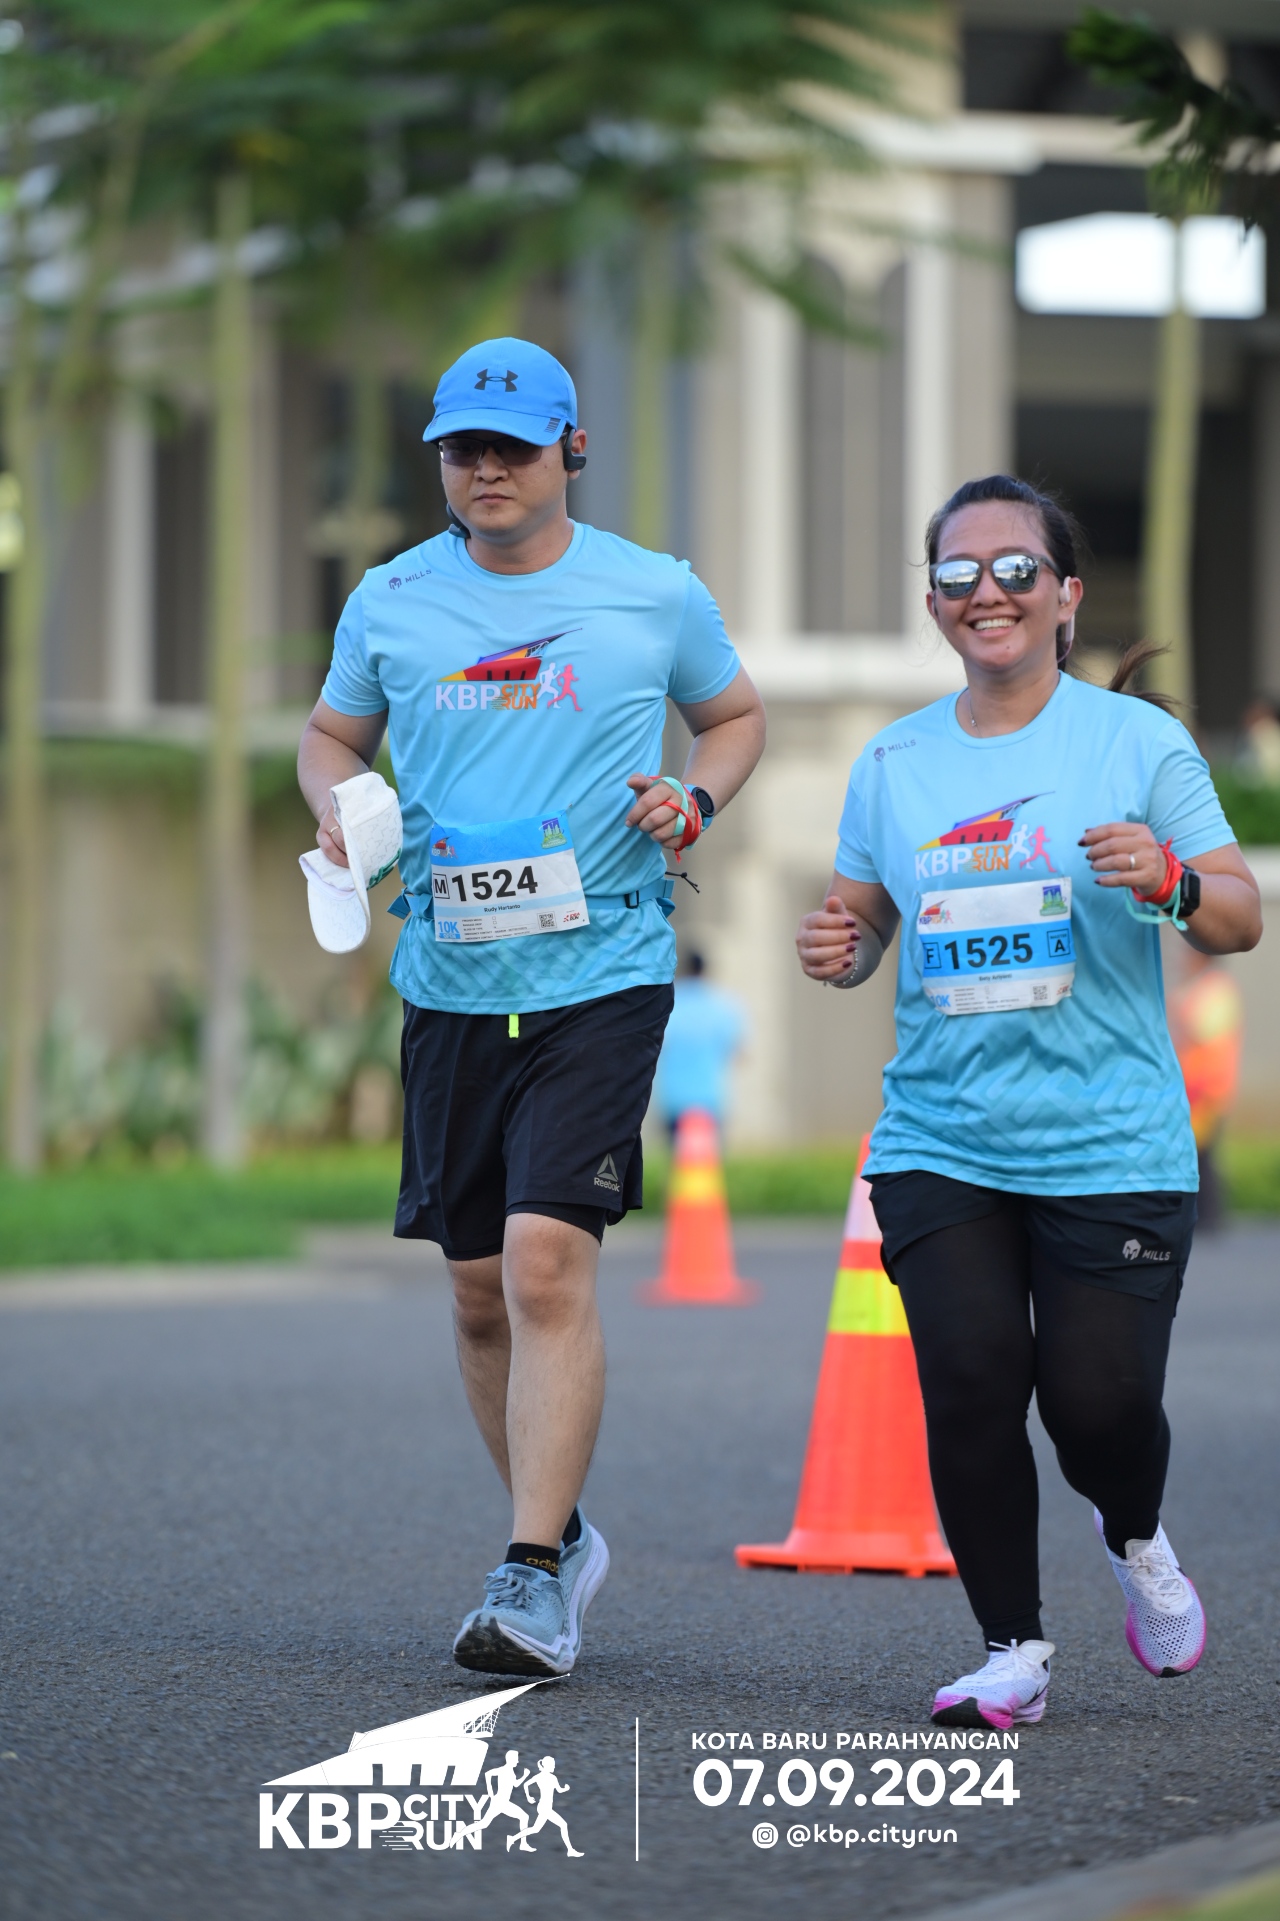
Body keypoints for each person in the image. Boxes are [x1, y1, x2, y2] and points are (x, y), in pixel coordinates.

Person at [298, 337, 765, 1679]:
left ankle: (525, 1570)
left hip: (602, 970)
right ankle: (556, 1536)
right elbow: (330, 737)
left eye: (510, 445)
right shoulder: (390, 599)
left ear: (572, 448)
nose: (485, 468)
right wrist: (339, 806)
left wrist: (696, 797)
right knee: (474, 1295)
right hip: (449, 978)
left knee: (545, 1263)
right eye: (461, 448)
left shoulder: (653, 590)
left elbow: (734, 716)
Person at [796, 473, 1261, 1731]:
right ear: (933, 601)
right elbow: (864, 916)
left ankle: (1134, 1531)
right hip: (940, 1137)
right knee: (968, 1376)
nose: (984, 591)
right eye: (955, 573)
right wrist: (842, 944)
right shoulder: (893, 760)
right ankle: (1010, 1647)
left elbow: (1236, 915)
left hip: (1110, 1140)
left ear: (1064, 595)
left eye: (1014, 569)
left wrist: (1167, 879)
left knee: (1095, 1407)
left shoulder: (1131, 744)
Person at [1167, 948, 1243, 1232]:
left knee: (1200, 1153)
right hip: (1195, 1084)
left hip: (1207, 1086)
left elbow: (1202, 1029)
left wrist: (1180, 1007)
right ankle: (1205, 1216)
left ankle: (1208, 1217)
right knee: (1198, 1153)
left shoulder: (1216, 987)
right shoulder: (1201, 986)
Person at [654, 949, 747, 1140]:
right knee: (708, 1155)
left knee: (678, 1154)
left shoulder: (669, 1003)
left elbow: (658, 1043)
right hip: (709, 1097)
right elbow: (739, 1051)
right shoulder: (722, 1004)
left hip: (675, 1097)